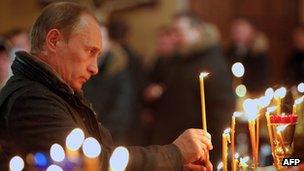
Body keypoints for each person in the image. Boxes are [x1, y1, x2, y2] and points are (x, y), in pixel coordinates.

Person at [0, 2, 213, 171]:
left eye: (98, 56)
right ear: (54, 40)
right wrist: (173, 154)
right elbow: (93, 164)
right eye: (89, 51)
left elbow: (109, 154)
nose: (94, 68)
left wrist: (174, 165)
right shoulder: (30, 99)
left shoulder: (58, 91)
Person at [148, 13, 235, 164]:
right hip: (174, 146)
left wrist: (208, 154)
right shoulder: (181, 58)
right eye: (173, 33)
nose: (174, 38)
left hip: (195, 152)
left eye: (179, 33)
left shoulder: (212, 63)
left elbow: (220, 112)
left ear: (197, 31)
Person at [227, 18, 270, 94]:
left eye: (241, 31)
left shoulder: (259, 54)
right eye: (235, 31)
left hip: (253, 94)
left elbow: (261, 79)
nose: (238, 33)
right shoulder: (228, 53)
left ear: (251, 31)